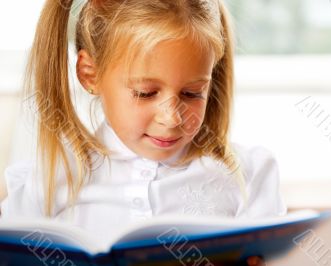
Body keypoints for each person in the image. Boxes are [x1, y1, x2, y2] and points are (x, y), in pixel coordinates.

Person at [1, 0, 286, 265]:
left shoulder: (248, 175)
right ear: (90, 74)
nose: (172, 117)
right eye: (145, 93)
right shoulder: (47, 180)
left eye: (192, 93)